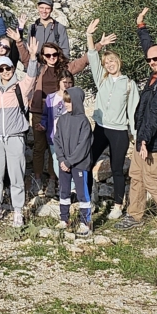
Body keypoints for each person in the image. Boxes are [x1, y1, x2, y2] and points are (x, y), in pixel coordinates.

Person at [115, 8, 157, 233]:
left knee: (153, 181)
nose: (151, 61)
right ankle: (135, 215)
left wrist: (143, 139)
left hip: (154, 141)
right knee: (136, 177)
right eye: (149, 60)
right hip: (143, 137)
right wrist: (141, 26)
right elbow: (150, 49)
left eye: (156, 59)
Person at [86, 19, 138, 220]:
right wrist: (90, 35)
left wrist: (134, 134)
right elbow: (92, 56)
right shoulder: (102, 79)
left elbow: (133, 111)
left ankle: (117, 205)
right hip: (100, 128)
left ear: (119, 62)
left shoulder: (129, 84)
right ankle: (88, 198)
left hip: (118, 131)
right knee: (88, 161)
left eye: (112, 61)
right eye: (106, 62)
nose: (110, 64)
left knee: (117, 168)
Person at [0, 40, 40, 228]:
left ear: (13, 68)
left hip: (16, 136)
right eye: (2, 69)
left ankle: (17, 210)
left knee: (17, 174)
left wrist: (33, 57)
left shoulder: (20, 87)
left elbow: (32, 77)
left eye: (8, 68)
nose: (5, 72)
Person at [29, 41, 91, 197]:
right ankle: (37, 180)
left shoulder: (65, 69)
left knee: (55, 149)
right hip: (40, 111)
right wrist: (19, 42)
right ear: (43, 56)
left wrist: (97, 45)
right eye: (48, 55)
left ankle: (52, 180)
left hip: (60, 111)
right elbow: (25, 59)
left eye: (54, 54)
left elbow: (82, 62)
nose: (52, 57)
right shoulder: (38, 68)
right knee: (39, 147)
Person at [54, 87, 94, 235]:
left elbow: (83, 146)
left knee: (82, 193)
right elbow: (57, 140)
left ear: (77, 101)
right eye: (65, 101)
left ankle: (85, 222)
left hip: (79, 164)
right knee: (64, 191)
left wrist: (70, 162)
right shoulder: (62, 119)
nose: (66, 105)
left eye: (69, 102)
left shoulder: (84, 121)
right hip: (64, 164)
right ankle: (64, 219)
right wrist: (62, 160)